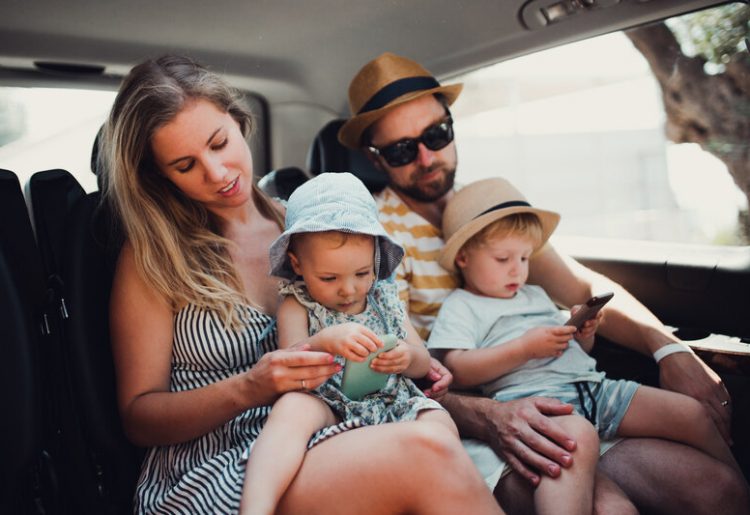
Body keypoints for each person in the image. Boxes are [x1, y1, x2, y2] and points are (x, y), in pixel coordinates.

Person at [337, 51, 748, 514]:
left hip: (566, 400)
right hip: (468, 426)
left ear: (452, 124)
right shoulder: (375, 237)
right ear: (374, 156)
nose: (428, 157)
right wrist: (487, 415)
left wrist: (668, 349)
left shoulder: (483, 207)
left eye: (437, 134)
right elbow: (383, 376)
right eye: (401, 149)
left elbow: (581, 287)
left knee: (721, 490)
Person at [104, 55, 502, 514]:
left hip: (335, 430)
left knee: (441, 442)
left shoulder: (312, 227)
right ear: (159, 175)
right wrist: (248, 388)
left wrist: (420, 367)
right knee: (428, 455)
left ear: (239, 122)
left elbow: (387, 323)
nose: (217, 173)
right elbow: (138, 417)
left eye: (219, 143)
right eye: (184, 165)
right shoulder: (151, 256)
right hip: (219, 465)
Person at [428, 177, 749, 514]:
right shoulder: (462, 305)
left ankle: (743, 485)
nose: (517, 270)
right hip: (541, 404)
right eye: (503, 258)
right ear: (463, 258)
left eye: (524, 258)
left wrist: (583, 334)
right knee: (578, 442)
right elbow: (458, 369)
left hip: (595, 389)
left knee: (692, 412)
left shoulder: (534, 295)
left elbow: (578, 356)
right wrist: (523, 349)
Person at [241, 172, 474, 514]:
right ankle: (256, 505)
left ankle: (448, 489)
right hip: (326, 402)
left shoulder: (385, 296)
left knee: (438, 421)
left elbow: (423, 363)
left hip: (390, 398)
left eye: (362, 273)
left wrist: (404, 357)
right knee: (291, 409)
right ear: (297, 264)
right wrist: (325, 341)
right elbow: (289, 361)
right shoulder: (297, 301)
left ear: (375, 262)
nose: (348, 290)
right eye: (329, 278)